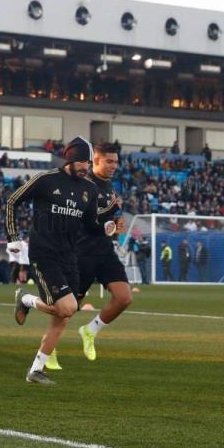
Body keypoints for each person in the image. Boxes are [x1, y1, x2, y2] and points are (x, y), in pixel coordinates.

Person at [7, 137, 102, 385]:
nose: (87, 167)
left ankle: (36, 370)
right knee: (67, 307)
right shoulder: (46, 180)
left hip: (70, 257)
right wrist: (13, 237)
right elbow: (12, 201)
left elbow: (91, 224)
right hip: (44, 254)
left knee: (65, 315)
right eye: (83, 161)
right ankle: (26, 299)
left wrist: (107, 226)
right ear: (71, 158)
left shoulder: (90, 189)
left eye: (89, 163)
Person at [74, 142, 133, 362]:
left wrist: (117, 223)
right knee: (67, 309)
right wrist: (108, 219)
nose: (114, 166)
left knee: (124, 297)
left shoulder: (108, 186)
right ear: (96, 161)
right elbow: (85, 219)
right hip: (83, 252)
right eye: (109, 161)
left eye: (116, 162)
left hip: (105, 251)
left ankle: (90, 331)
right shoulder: (84, 185)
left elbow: (111, 215)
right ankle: (47, 347)